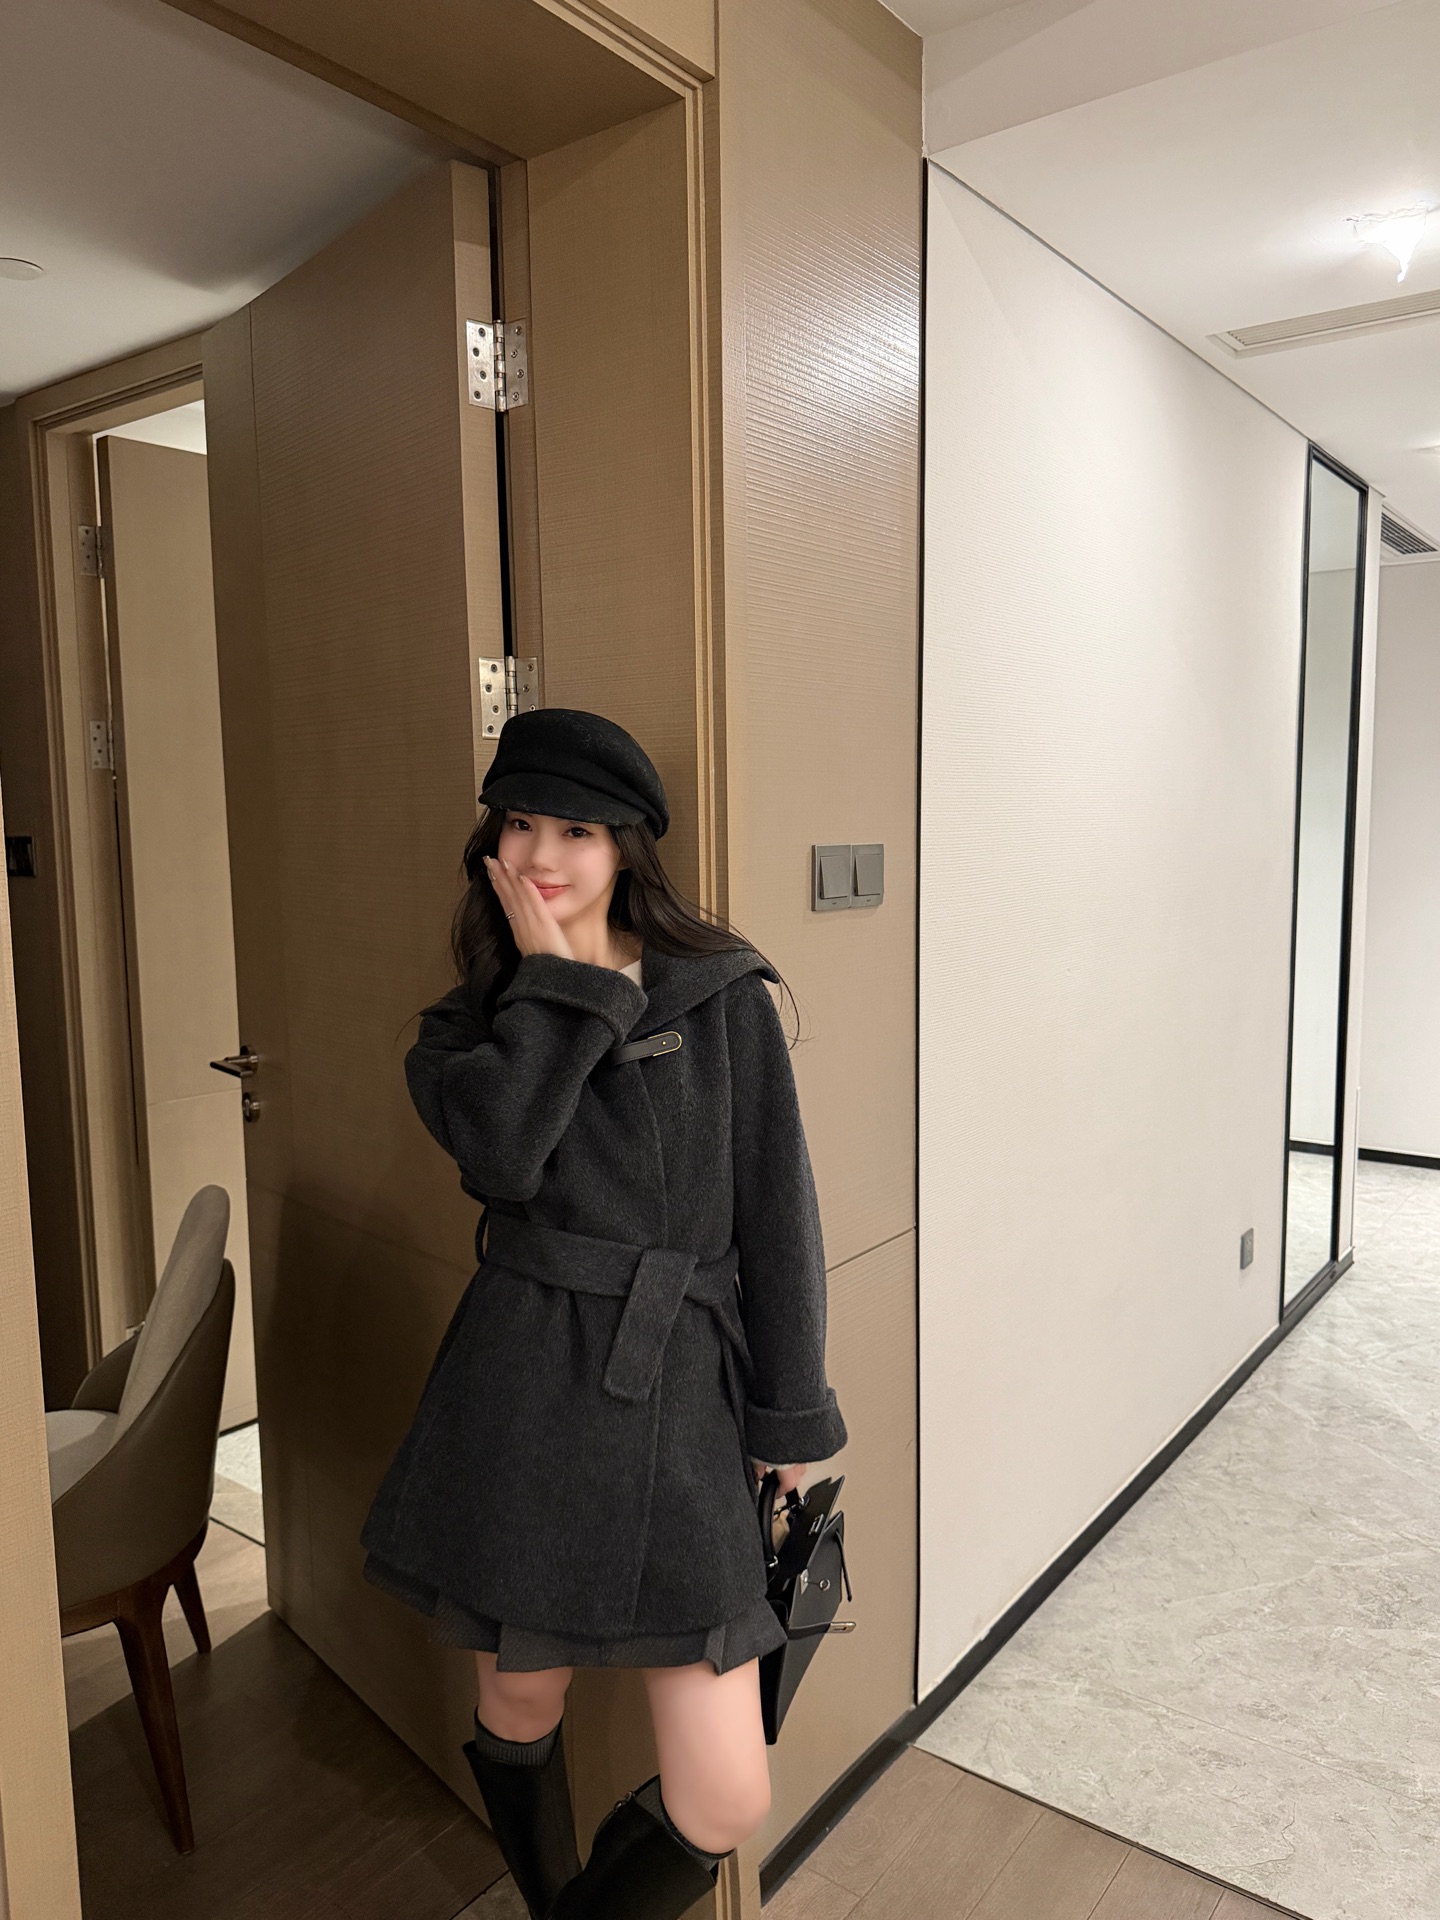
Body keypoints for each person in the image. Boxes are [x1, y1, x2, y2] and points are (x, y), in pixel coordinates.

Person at [360, 706, 848, 1918]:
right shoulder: (467, 1029)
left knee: (725, 1796)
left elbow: (779, 1216)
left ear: (626, 845)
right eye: (520, 822)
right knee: (521, 1698)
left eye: (576, 829)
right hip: (521, 1389)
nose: (541, 853)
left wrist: (788, 1415)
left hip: (681, 1396)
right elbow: (505, 1159)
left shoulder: (720, 995)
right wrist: (563, 991)